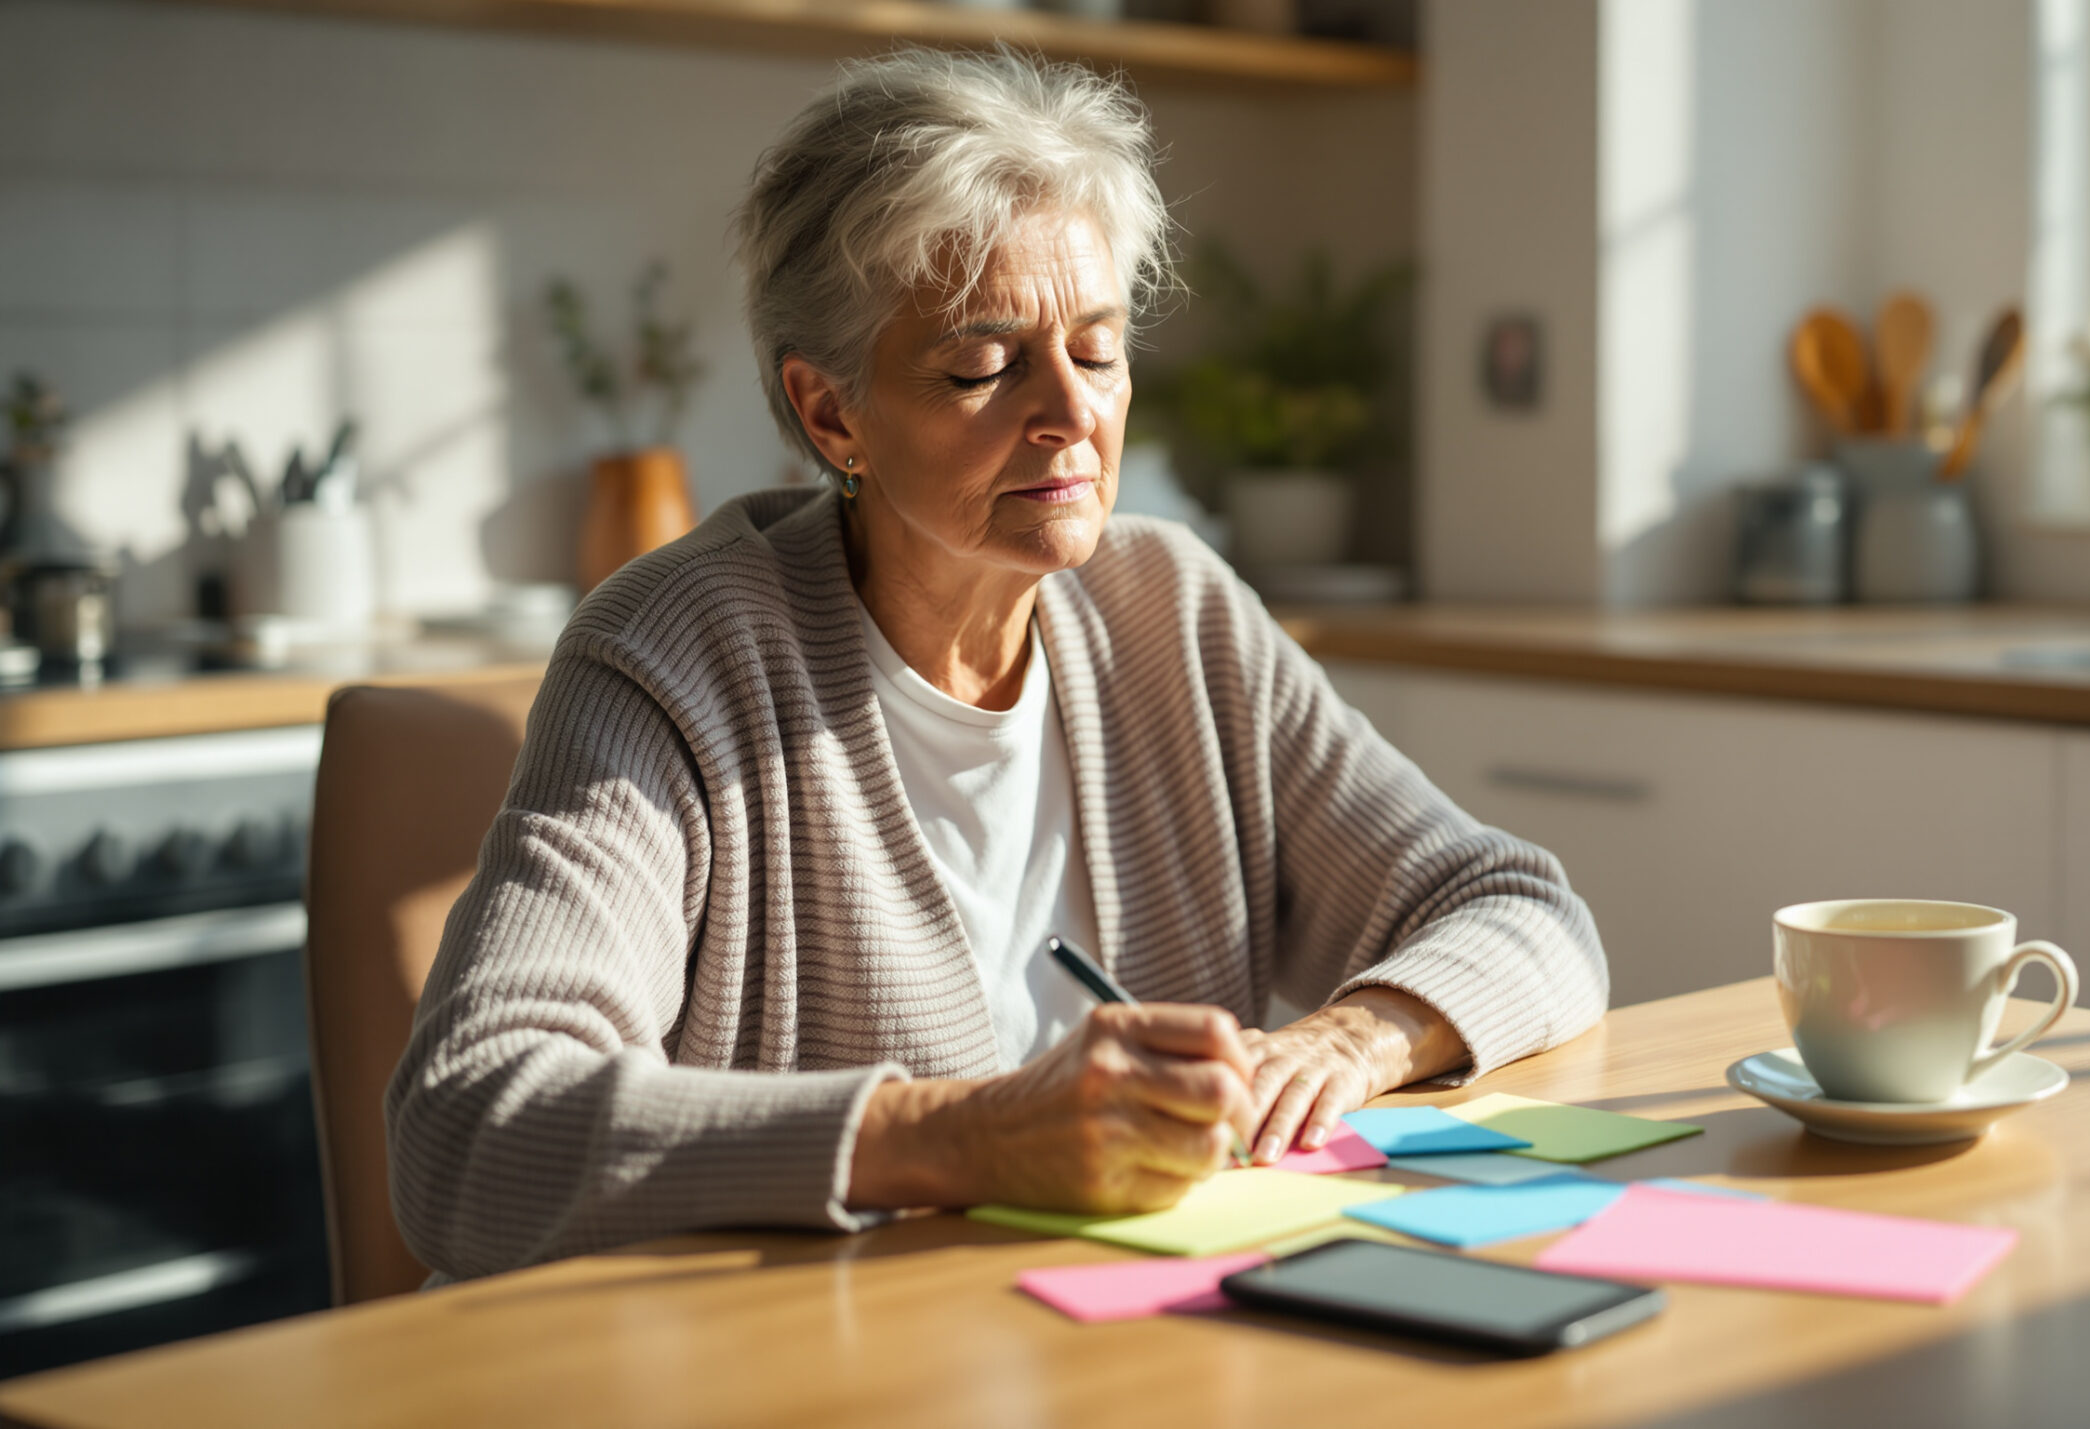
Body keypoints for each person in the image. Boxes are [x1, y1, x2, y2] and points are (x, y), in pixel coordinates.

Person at [385, 47, 1607, 1281]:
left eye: (1098, 350)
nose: (1072, 415)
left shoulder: (1171, 611)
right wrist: (966, 1135)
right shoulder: (675, 656)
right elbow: (468, 1129)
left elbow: (1524, 913)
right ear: (831, 415)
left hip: (1108, 1332)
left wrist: (1351, 1038)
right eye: (983, 366)